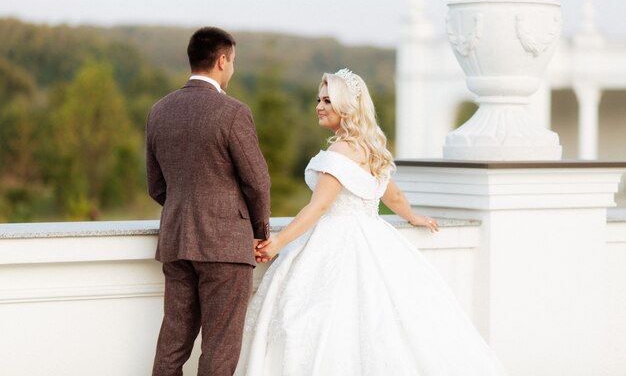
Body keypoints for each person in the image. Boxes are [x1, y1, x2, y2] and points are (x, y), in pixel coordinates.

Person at [236, 69, 508, 375]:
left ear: (347, 107)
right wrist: (412, 217)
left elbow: (318, 207)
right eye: (318, 99)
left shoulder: (339, 151)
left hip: (336, 240)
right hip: (374, 234)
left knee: (315, 320)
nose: (319, 106)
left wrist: (277, 243)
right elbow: (393, 196)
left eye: (328, 100)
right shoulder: (371, 149)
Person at [146, 27, 271, 376]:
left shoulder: (159, 111)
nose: (232, 69)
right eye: (232, 62)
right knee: (219, 348)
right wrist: (260, 230)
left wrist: (183, 210)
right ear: (221, 61)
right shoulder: (233, 112)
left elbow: (156, 186)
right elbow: (258, 182)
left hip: (176, 241)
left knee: (171, 345)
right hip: (226, 246)